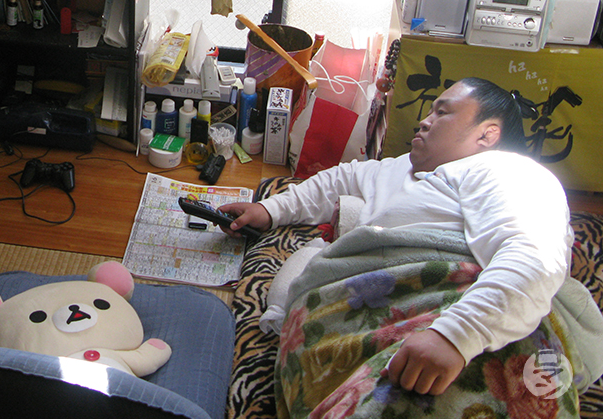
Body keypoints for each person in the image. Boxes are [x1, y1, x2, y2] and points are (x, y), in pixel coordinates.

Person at [219, 77, 573, 397]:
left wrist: (455, 336)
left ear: (487, 135)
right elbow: (337, 181)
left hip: (451, 321)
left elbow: (535, 256)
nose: (425, 120)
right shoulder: (396, 167)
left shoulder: (507, 172)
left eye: (443, 113)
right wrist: (269, 211)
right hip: (359, 315)